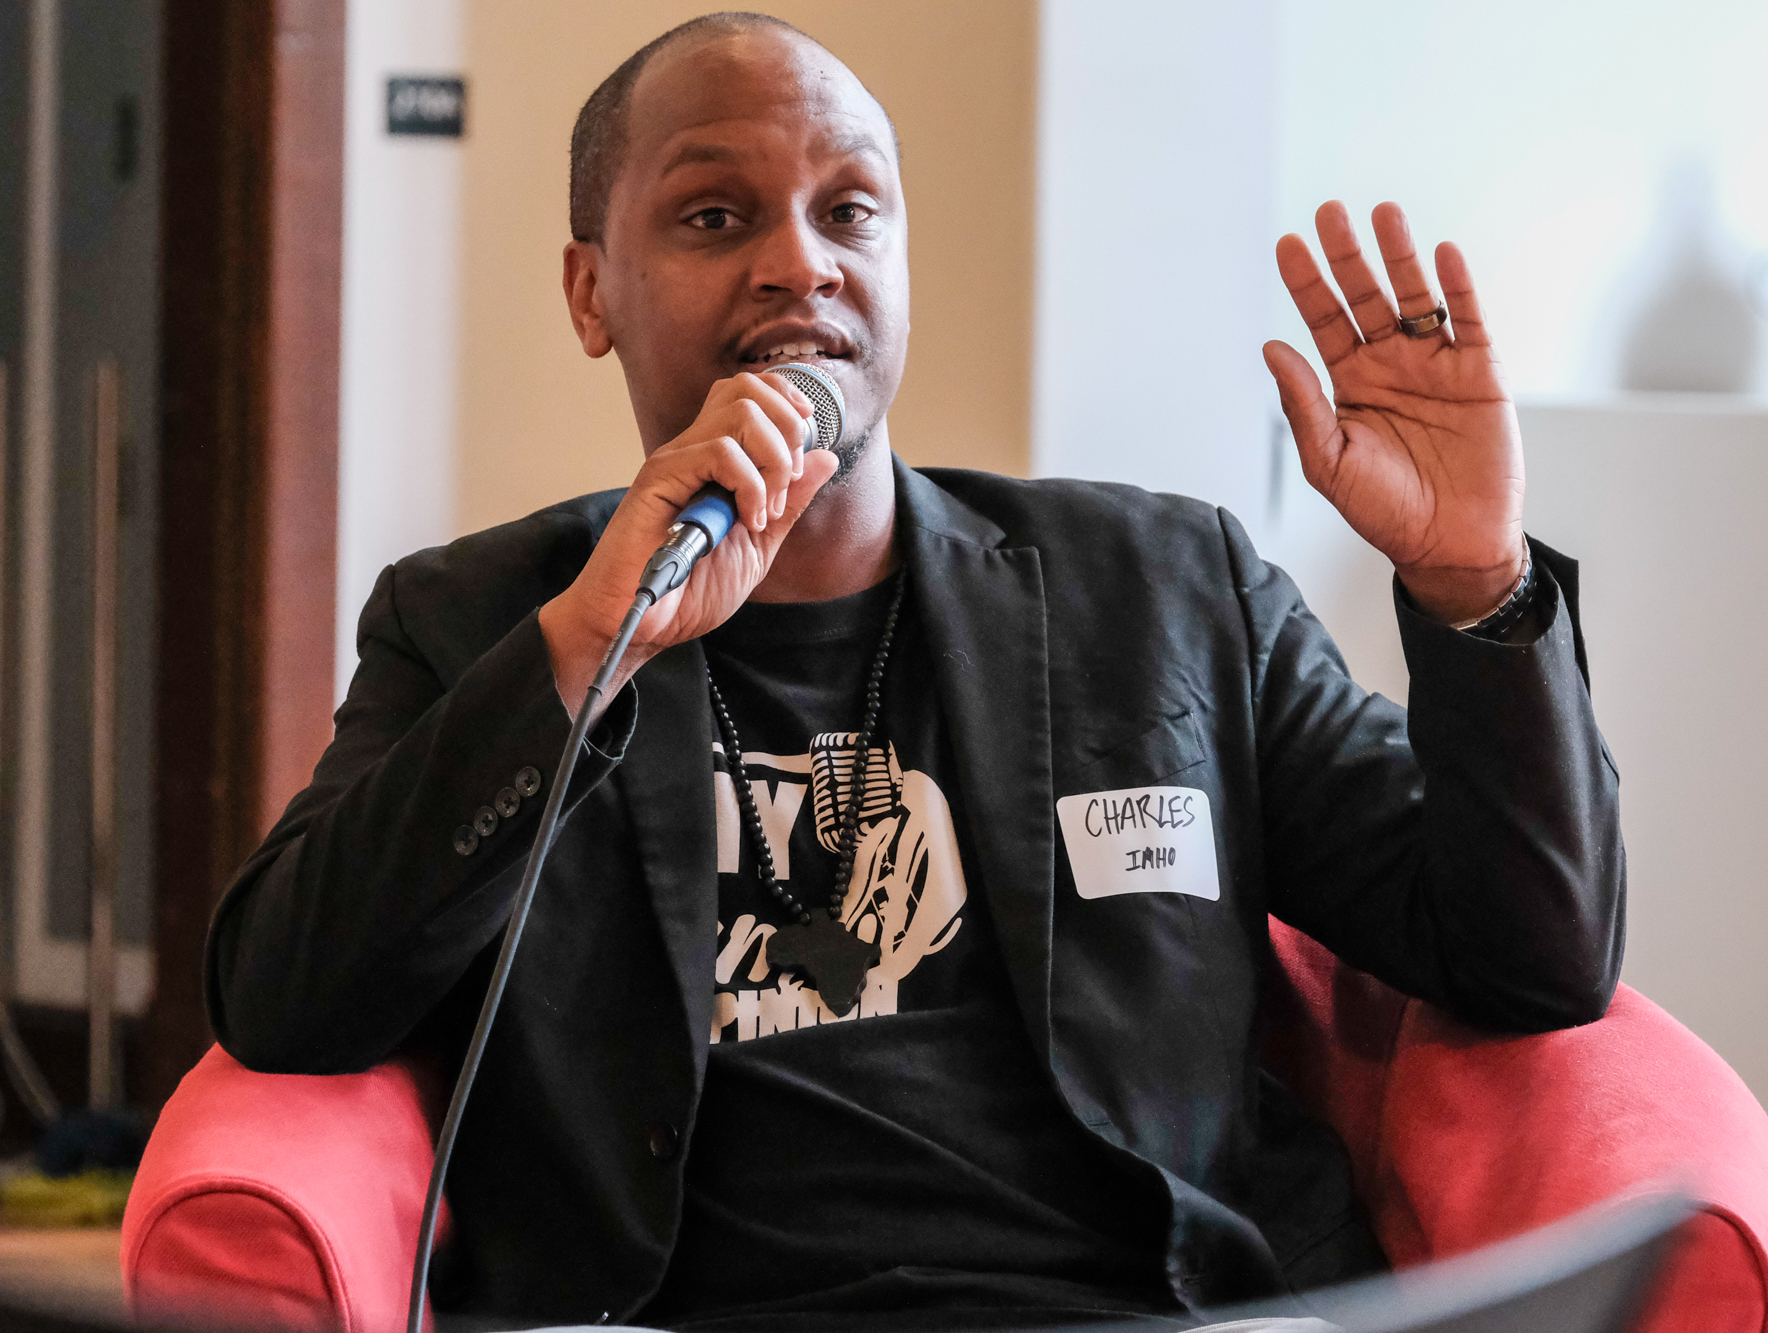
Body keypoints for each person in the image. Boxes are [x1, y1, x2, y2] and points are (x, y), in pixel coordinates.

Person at [207, 12, 1623, 1330]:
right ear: (594, 293)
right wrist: (592, 648)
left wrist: (1471, 581)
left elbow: (1528, 958)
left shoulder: (1169, 588)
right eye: (716, 216)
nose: (800, 262)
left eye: (850, 211)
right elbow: (288, 995)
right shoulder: (482, 621)